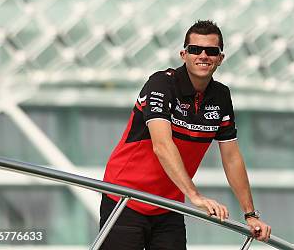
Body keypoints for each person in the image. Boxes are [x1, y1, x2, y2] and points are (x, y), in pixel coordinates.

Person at [100, 20, 271, 249]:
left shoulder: (221, 96)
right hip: (125, 199)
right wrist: (195, 195)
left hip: (168, 206)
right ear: (183, 54)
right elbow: (162, 145)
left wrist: (250, 214)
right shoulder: (160, 84)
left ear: (220, 58)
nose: (203, 55)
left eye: (211, 51)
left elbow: (231, 157)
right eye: (194, 50)